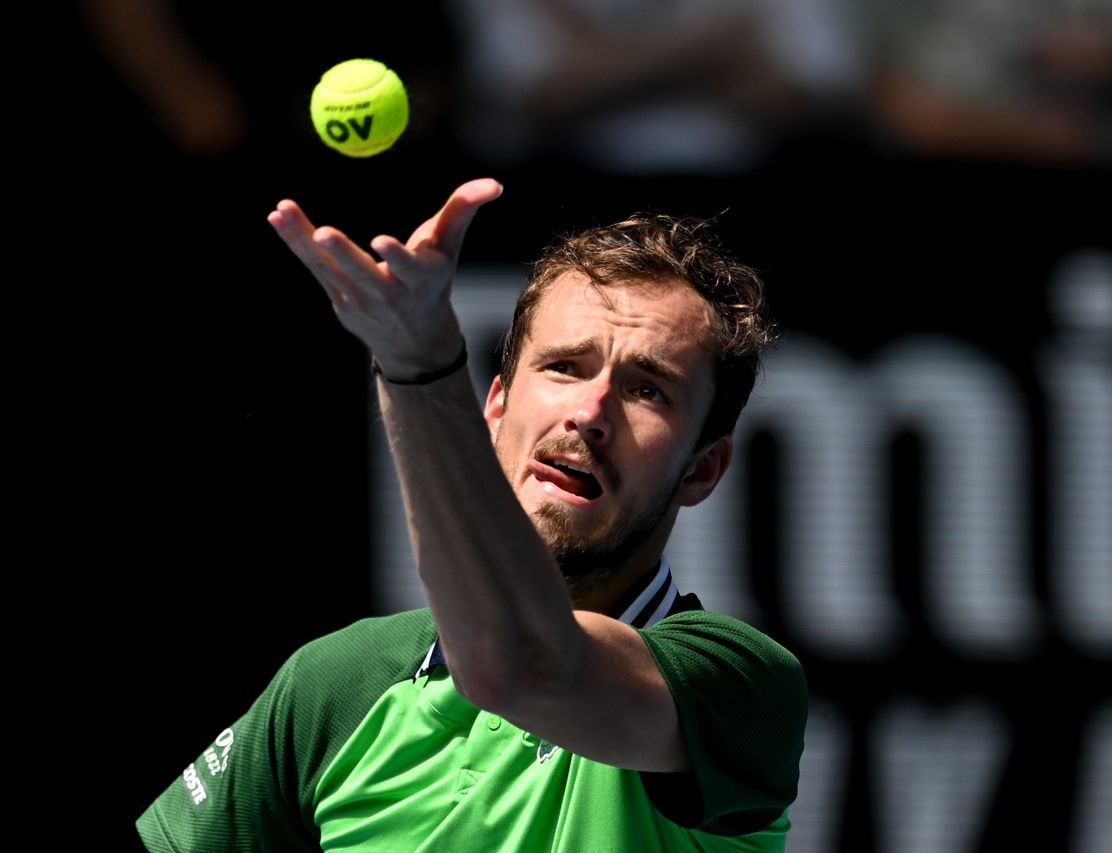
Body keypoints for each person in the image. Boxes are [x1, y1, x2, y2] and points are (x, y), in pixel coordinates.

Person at [135, 178, 809, 851]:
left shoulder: (742, 686)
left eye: (647, 389)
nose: (590, 411)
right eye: (565, 366)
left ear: (702, 468)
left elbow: (518, 663)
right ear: (495, 406)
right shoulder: (338, 681)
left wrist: (417, 362)